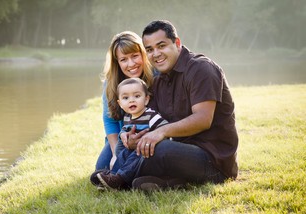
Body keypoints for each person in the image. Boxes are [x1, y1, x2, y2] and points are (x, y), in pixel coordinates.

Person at [122, 20, 238, 191]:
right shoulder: (159, 80)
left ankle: (121, 179)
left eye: (161, 46)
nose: (156, 54)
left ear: (177, 43)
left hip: (213, 161)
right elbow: (148, 119)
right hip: (181, 152)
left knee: (160, 149)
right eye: (150, 50)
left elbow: (203, 119)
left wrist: (161, 132)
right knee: (143, 147)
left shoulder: (201, 68)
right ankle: (172, 182)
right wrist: (133, 139)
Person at [93, 78, 168, 190]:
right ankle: (111, 178)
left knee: (135, 155)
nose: (131, 101)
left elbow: (165, 129)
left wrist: (153, 138)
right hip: (132, 149)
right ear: (120, 103)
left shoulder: (151, 116)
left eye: (137, 96)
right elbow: (125, 130)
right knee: (123, 154)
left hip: (147, 152)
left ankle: (119, 179)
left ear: (146, 99)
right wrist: (123, 135)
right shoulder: (128, 117)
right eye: (126, 98)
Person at [95, 31, 154, 171]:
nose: (131, 64)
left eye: (135, 56)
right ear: (117, 62)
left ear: (143, 54)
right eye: (124, 59)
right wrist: (116, 153)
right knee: (102, 168)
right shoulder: (110, 84)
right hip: (122, 139)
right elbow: (109, 120)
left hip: (148, 136)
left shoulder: (154, 77)